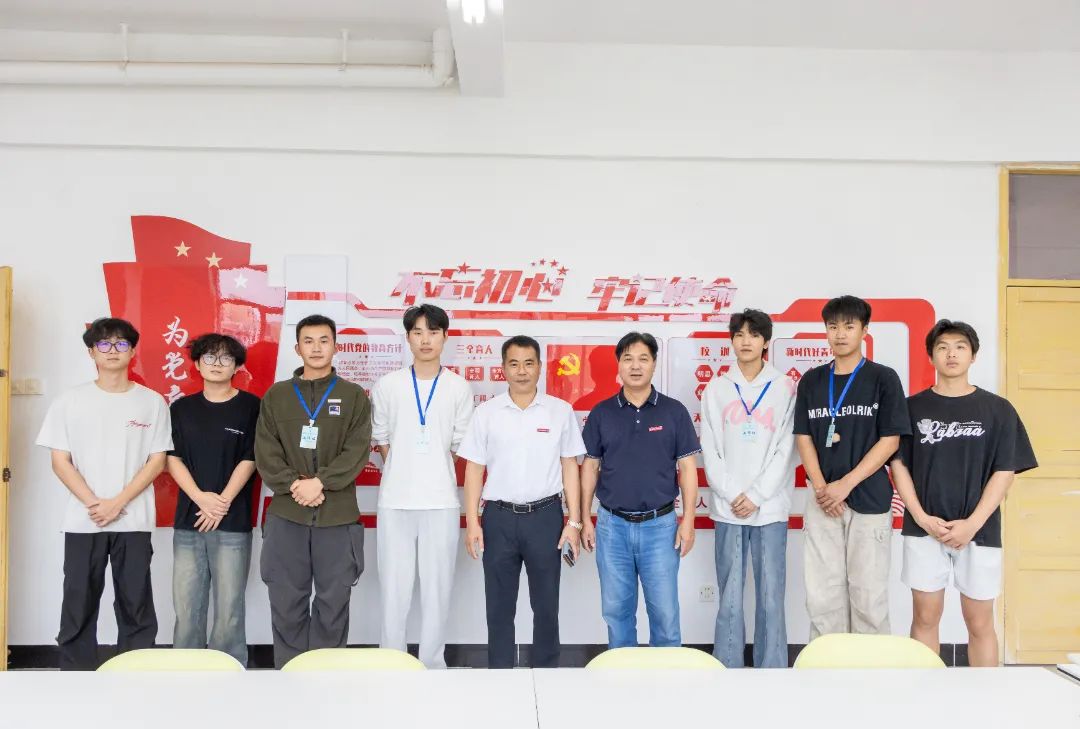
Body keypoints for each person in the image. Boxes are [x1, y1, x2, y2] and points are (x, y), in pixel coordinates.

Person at [890, 320, 1036, 666]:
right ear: (931, 357)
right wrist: (922, 518)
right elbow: (898, 465)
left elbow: (1005, 471)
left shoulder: (998, 410)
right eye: (942, 347)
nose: (951, 354)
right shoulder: (911, 409)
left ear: (973, 356)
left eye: (960, 347)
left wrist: (972, 523)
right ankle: (924, 691)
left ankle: (985, 696)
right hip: (924, 529)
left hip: (979, 531)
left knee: (980, 621)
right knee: (925, 617)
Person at [36, 317, 172, 670]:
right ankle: (76, 674)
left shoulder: (152, 402)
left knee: (135, 602)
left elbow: (157, 461)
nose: (113, 350)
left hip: (134, 519)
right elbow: (60, 460)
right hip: (84, 520)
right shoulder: (70, 401)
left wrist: (118, 502)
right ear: (91, 352)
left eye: (121, 343)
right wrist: (95, 503)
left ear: (133, 351)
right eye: (104, 344)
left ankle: (135, 672)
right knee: (78, 601)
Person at [458, 335, 586, 668]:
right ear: (503, 368)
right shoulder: (487, 413)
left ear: (540, 367)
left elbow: (570, 466)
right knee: (499, 606)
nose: (522, 371)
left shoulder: (559, 411)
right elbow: (474, 470)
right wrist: (472, 522)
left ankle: (546, 672)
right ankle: (500, 673)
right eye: (514, 364)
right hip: (498, 519)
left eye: (529, 363)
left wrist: (573, 522)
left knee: (546, 606)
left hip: (546, 517)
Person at [254, 314, 371, 669]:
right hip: (287, 515)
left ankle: (326, 677)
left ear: (335, 347)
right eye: (309, 341)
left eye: (324, 340)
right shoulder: (277, 396)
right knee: (286, 601)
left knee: (333, 603)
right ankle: (289, 675)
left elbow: (357, 450)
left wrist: (320, 482)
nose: (316, 348)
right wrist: (294, 484)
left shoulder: (353, 396)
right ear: (297, 348)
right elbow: (266, 451)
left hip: (337, 516)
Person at [794, 295, 911, 638]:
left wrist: (844, 485)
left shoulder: (883, 378)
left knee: (868, 599)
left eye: (849, 326)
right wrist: (822, 489)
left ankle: (870, 670)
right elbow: (804, 438)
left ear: (864, 330)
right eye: (833, 327)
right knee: (822, 598)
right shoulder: (812, 381)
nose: (840, 334)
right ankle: (825, 667)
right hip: (823, 503)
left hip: (869, 500)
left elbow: (890, 440)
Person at [580, 332, 700, 648]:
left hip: (660, 527)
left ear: (654, 364)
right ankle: (622, 676)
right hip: (612, 527)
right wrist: (585, 518)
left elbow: (687, 469)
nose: (635, 366)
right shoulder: (602, 413)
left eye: (643, 359)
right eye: (628, 359)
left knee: (665, 616)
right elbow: (590, 467)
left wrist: (688, 520)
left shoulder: (674, 412)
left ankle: (667, 676)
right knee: (616, 614)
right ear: (618, 365)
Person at [371, 304, 474, 668]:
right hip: (395, 501)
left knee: (437, 589)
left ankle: (432, 662)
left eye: (432, 332)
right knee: (393, 589)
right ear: (408, 338)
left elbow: (460, 444)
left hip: (441, 501)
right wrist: (404, 467)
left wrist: (431, 466)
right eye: (417, 332)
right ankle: (392, 661)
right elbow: (382, 438)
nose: (425, 340)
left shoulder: (458, 387)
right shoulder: (388, 385)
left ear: (445, 337)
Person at [700, 309, 797, 667]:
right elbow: (710, 447)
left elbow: (787, 449)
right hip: (728, 508)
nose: (746, 341)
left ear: (766, 341)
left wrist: (756, 495)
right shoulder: (716, 388)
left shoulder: (784, 387)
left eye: (754, 335)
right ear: (731, 340)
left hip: (770, 507)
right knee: (729, 596)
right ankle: (728, 666)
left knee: (771, 596)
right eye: (739, 334)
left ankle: (772, 667)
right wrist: (731, 493)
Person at [167, 333, 260, 665]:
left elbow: (251, 457)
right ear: (197, 364)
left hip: (232, 521)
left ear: (237, 366)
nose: (217, 364)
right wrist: (200, 498)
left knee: (229, 607)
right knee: (186, 607)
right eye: (209, 357)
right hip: (189, 521)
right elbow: (172, 458)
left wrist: (221, 502)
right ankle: (185, 671)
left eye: (225, 358)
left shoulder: (252, 406)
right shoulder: (181, 408)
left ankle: (228, 671)